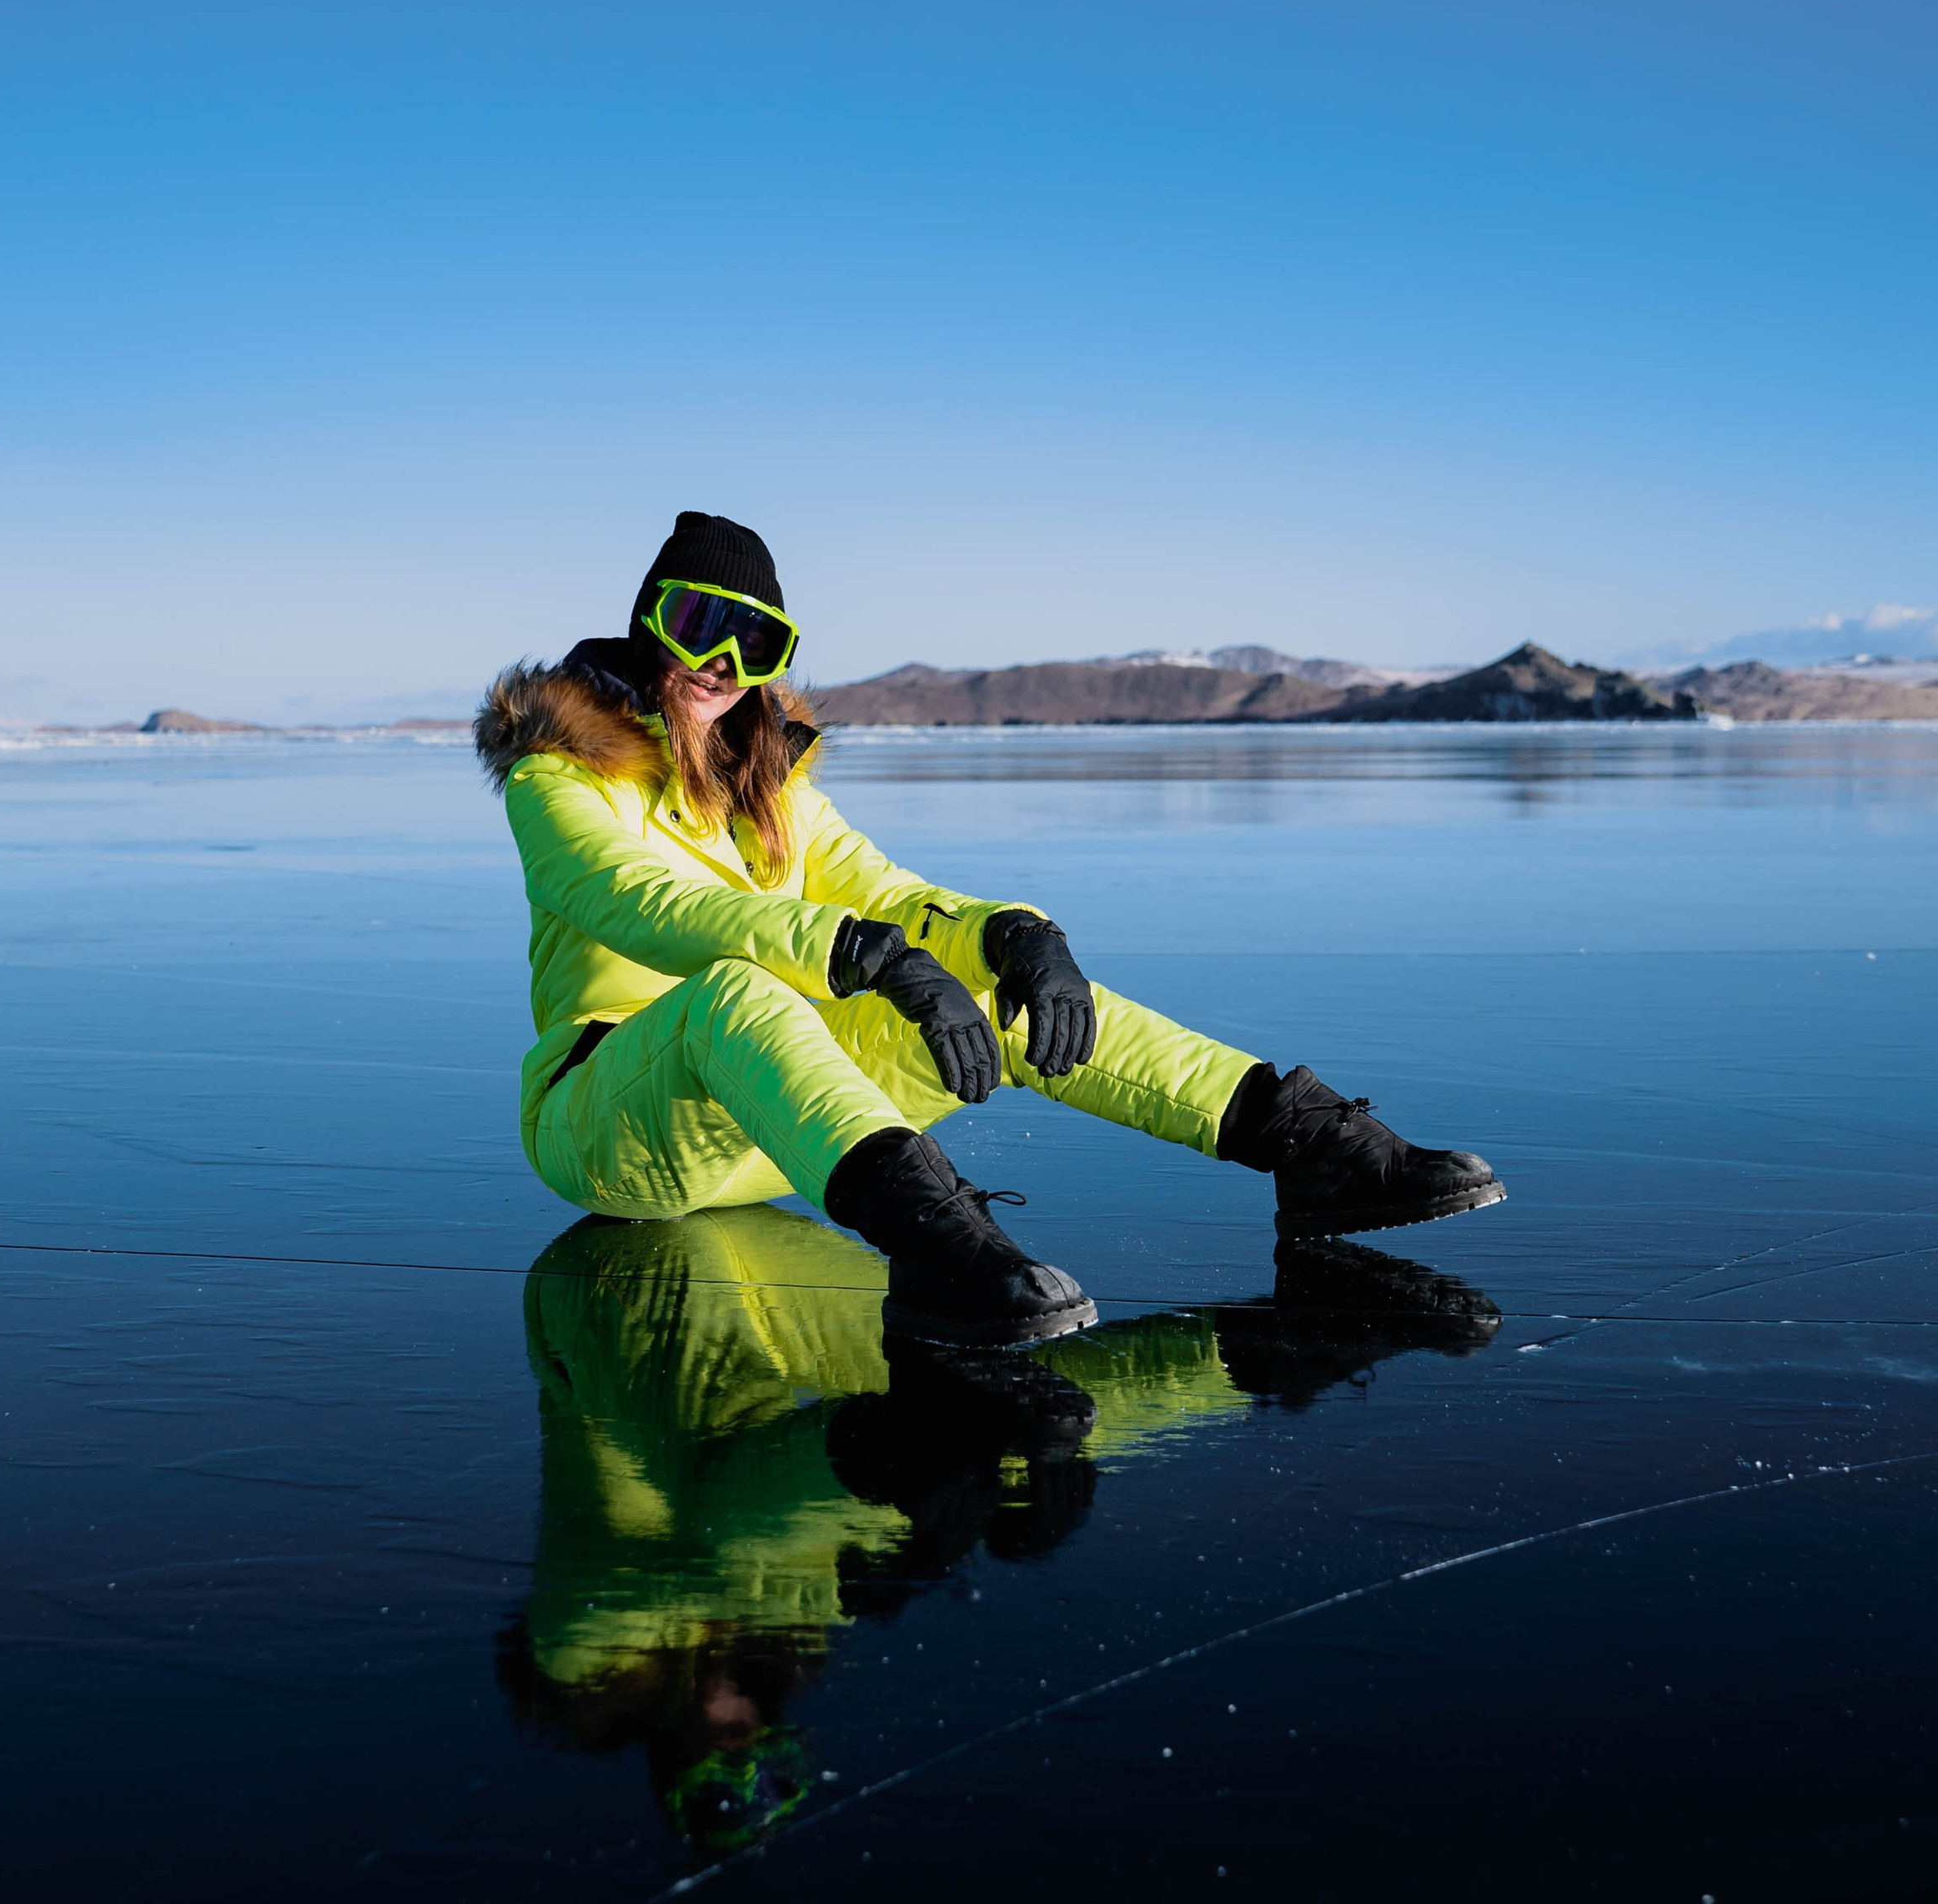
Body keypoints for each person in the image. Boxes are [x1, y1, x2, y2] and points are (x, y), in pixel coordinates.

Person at [475, 511, 1504, 1346]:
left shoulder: (768, 787)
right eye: (701, 621)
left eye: (758, 642)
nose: (723, 662)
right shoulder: (560, 775)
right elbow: (642, 904)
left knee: (1002, 993)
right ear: (649, 620)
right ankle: (940, 1245)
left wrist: (1015, 932)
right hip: (610, 1121)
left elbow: (888, 890)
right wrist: (851, 953)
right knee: (737, 992)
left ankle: (1311, 1148)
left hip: (773, 1129)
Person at [500, 1204, 1499, 1851]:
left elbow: (664, 1571)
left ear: (669, 1764)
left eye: (724, 1776)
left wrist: (891, 1566)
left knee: (739, 1514)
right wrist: (976, 1515)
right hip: (750, 1255)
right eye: (772, 1767)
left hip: (617, 1276)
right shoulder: (777, 1639)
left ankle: (940, 1427)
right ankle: (1303, 1336)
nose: (748, 1748)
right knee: (1019, 1425)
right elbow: (831, 1534)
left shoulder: (579, 1658)